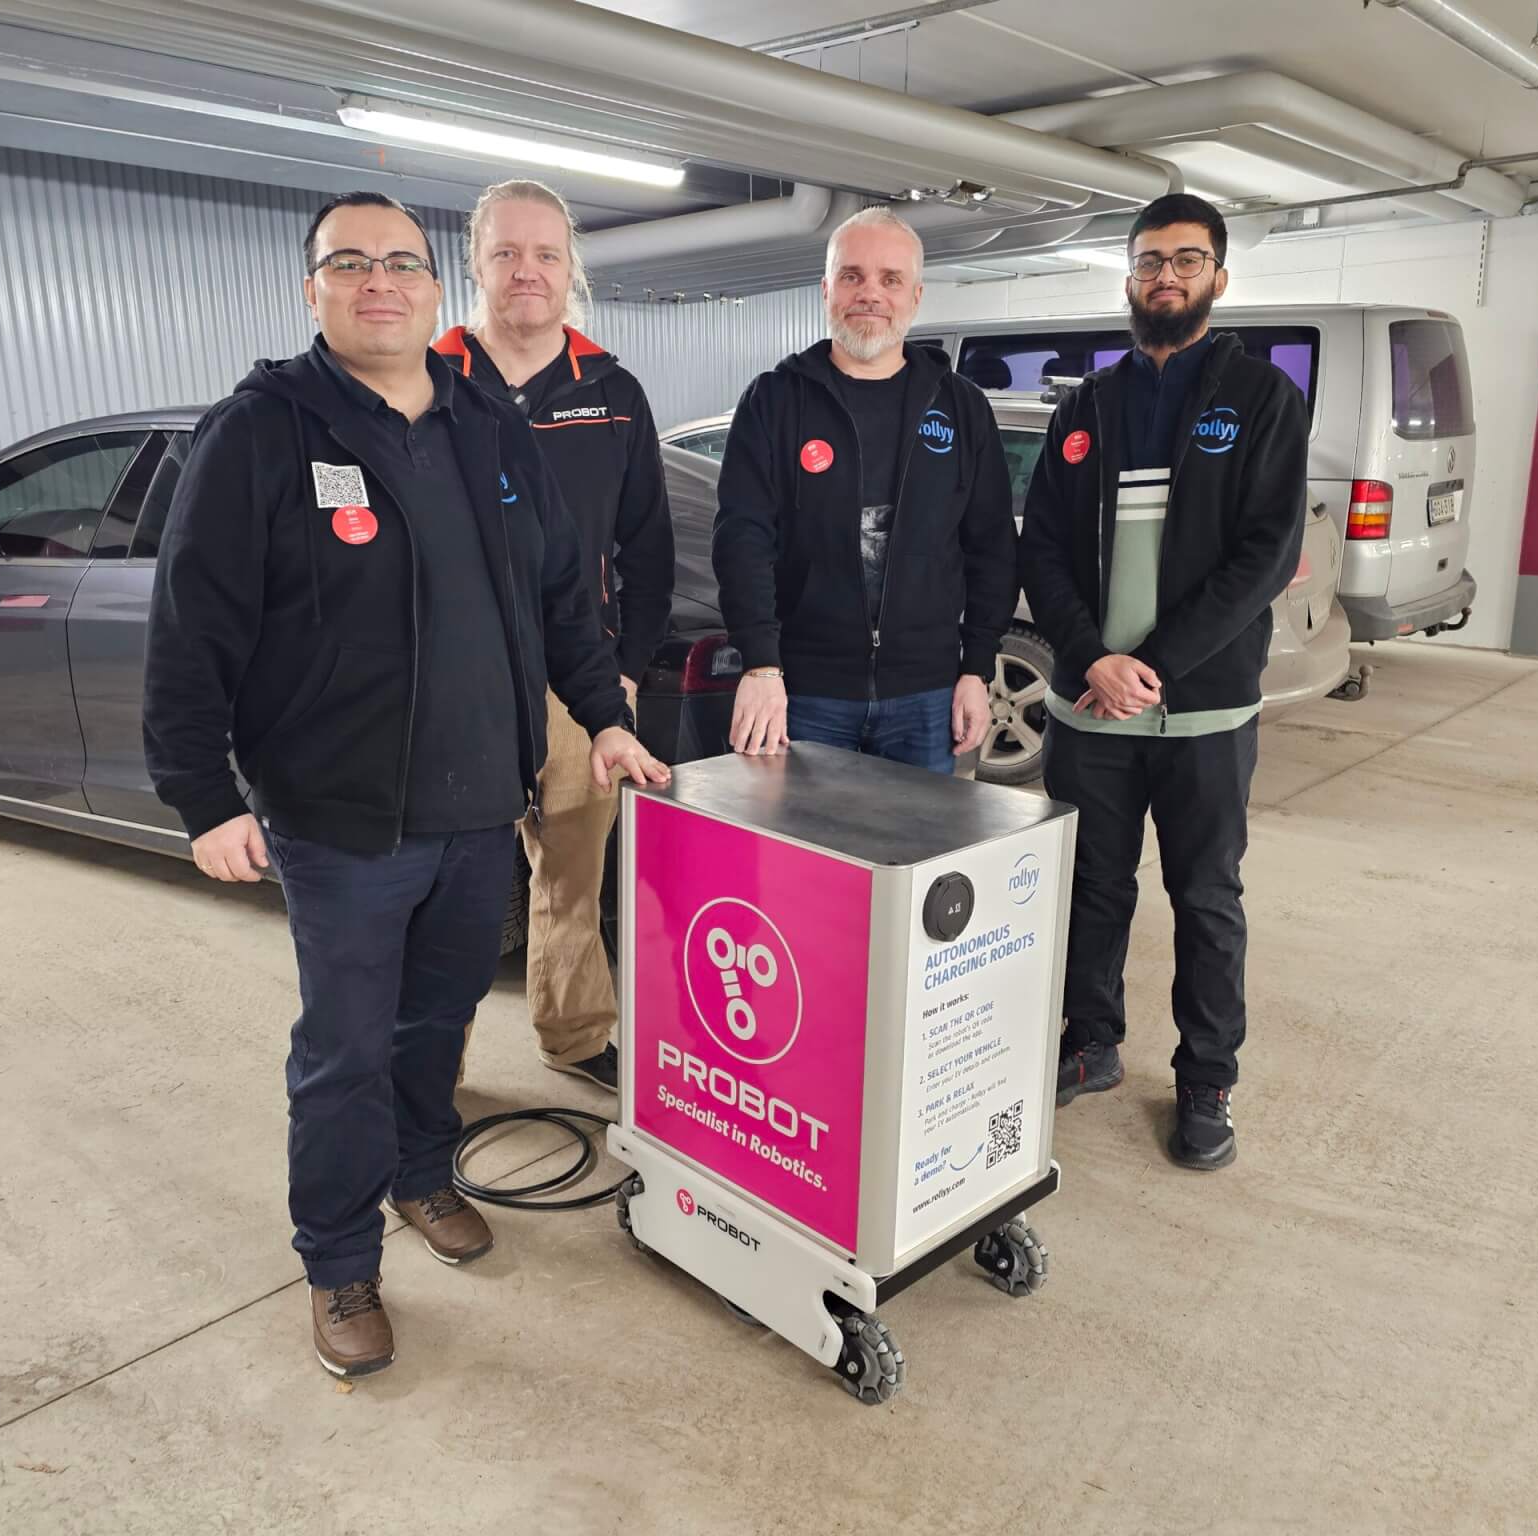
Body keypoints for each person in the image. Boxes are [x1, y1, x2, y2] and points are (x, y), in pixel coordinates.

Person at [142, 190, 669, 1379]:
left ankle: (424, 1175)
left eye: (399, 263)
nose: (377, 282)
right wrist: (203, 799)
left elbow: (555, 600)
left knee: (437, 1023)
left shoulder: (486, 427)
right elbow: (192, 632)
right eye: (349, 264)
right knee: (344, 1048)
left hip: (481, 803)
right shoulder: (264, 431)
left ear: (434, 290)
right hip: (341, 822)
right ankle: (337, 1261)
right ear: (312, 289)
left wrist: (603, 720)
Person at [1020, 193, 1307, 1172]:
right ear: (1128, 279)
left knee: (1203, 897)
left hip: (1202, 708)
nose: (1165, 277)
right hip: (1086, 708)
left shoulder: (1260, 398)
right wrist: (1088, 658)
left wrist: (1153, 665)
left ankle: (1205, 1080)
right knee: (1090, 887)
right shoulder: (1085, 407)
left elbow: (1265, 555)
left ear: (1218, 279)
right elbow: (1043, 550)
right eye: (1148, 262)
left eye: (1186, 260)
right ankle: (1089, 1041)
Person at [432, 179, 673, 1094]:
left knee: (573, 867)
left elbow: (649, 543)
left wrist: (627, 676)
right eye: (505, 253)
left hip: (581, 684)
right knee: (449, 883)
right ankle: (434, 1061)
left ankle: (573, 1035)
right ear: (476, 264)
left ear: (570, 267)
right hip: (458, 685)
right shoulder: (427, 378)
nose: (526, 272)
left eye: (545, 254)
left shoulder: (611, 390)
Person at [713, 207, 1015, 771]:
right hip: (803, 691)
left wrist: (976, 666)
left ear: (916, 296)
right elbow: (742, 540)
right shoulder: (775, 400)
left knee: (916, 855)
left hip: (926, 695)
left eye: (890, 279)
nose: (869, 293)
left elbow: (991, 546)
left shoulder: (961, 405)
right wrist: (760, 665)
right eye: (851, 276)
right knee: (806, 856)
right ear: (827, 290)